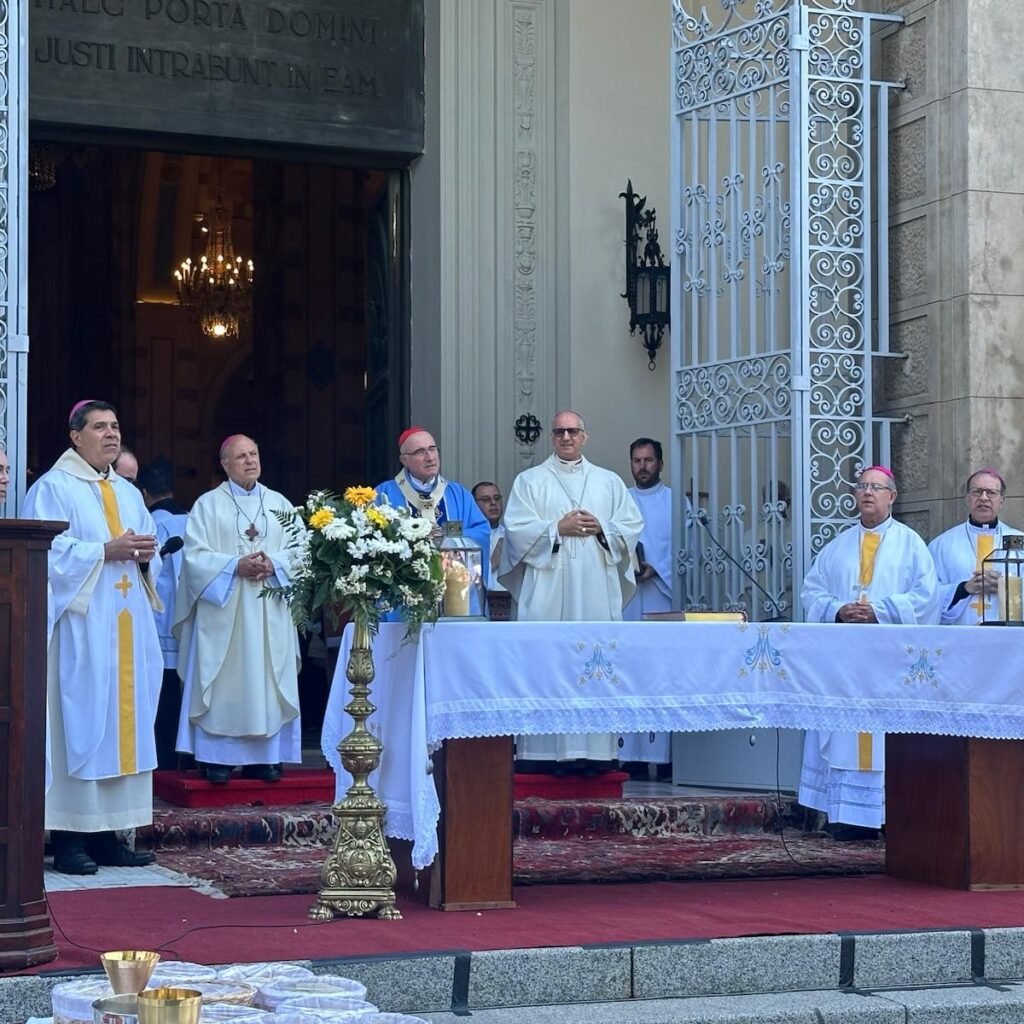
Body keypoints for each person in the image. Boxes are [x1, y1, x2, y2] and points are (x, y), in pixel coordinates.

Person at [23, 400, 162, 874]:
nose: (111, 434)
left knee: (122, 727)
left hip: (125, 626)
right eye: (100, 426)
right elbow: (43, 552)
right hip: (80, 629)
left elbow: (148, 550)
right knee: (79, 722)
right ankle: (69, 840)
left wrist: (145, 555)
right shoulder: (52, 488)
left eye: (115, 426)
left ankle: (109, 836)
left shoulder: (127, 492)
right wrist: (104, 551)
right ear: (75, 436)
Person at [799, 465, 939, 839]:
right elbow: (811, 592)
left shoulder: (911, 544)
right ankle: (847, 817)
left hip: (890, 663)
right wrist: (837, 610)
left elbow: (927, 598)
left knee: (888, 735)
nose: (867, 493)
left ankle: (892, 815)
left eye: (876, 487)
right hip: (845, 665)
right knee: (846, 733)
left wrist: (880, 611)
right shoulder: (837, 546)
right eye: (862, 486)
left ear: (892, 496)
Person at [500, 411, 643, 770]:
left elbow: (631, 525)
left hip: (596, 588)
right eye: (560, 432)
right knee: (548, 663)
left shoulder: (608, 482)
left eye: (573, 431)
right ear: (552, 437)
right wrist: (556, 528)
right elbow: (515, 529)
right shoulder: (530, 481)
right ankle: (543, 754)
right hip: (547, 591)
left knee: (596, 664)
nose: (566, 437)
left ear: (584, 436)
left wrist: (602, 527)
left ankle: (597, 753)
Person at [173, 435, 301, 784]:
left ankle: (266, 759)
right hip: (224, 613)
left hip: (269, 609)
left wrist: (274, 564)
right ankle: (218, 758)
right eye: (241, 456)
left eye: (253, 454)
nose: (249, 461)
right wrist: (233, 566)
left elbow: (302, 550)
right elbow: (193, 558)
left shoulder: (279, 504)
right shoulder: (207, 506)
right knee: (224, 683)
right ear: (225, 464)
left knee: (268, 680)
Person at [619, 438, 674, 773]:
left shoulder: (675, 503)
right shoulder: (619, 501)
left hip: (660, 596)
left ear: (660, 464)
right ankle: (632, 756)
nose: (642, 466)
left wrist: (659, 568)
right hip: (628, 598)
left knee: (660, 672)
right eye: (637, 460)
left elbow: (687, 548)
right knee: (628, 670)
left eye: (648, 460)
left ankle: (663, 759)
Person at [375, 426, 490, 580]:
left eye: (432, 449)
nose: (430, 457)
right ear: (404, 460)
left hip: (452, 585)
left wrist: (447, 537)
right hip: (405, 585)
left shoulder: (458, 494)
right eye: (420, 452)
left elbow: (482, 531)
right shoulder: (384, 495)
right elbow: (373, 542)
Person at [138, 458, 190, 769]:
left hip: (161, 619)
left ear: (144, 493)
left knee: (166, 692)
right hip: (192, 619)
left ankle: (165, 759)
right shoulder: (195, 520)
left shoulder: (151, 525)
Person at [928, 468, 1022, 626]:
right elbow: (926, 595)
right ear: (967, 498)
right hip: (960, 633)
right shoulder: (941, 545)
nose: (983, 498)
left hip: (1009, 635)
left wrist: (1008, 586)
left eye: (991, 492)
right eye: (976, 492)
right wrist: (964, 589)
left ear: (1002, 500)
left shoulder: (1020, 542)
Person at [473, 480, 506, 594]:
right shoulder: (467, 539)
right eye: (486, 499)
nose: (493, 503)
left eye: (497, 498)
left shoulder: (512, 535)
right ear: (473, 504)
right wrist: (491, 564)